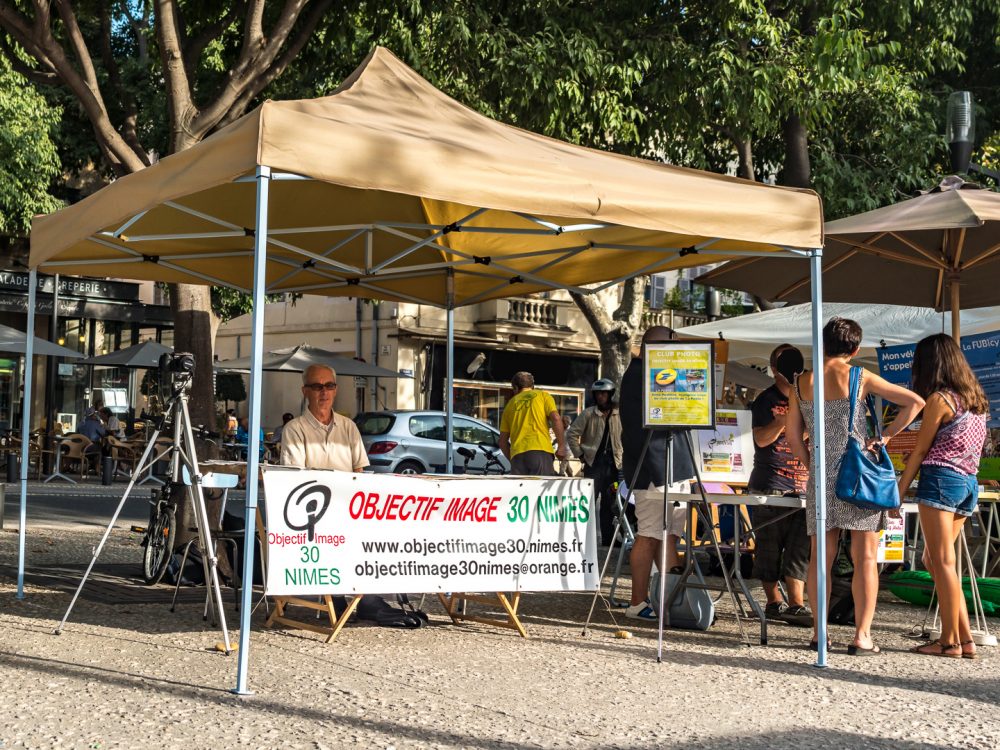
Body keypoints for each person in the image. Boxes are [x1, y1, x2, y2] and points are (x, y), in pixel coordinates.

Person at [786, 317, 924, 654]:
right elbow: (915, 402)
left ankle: (820, 633)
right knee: (864, 557)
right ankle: (862, 636)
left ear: (822, 344)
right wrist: (886, 436)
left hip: (822, 477)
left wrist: (813, 465)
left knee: (822, 557)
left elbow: (792, 437)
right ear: (855, 349)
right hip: (860, 473)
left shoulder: (800, 383)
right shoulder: (859, 376)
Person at [282, 365, 412, 626]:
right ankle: (347, 597)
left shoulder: (349, 426)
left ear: (336, 390)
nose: (324, 392)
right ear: (305, 391)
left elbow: (359, 472)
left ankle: (365, 597)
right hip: (313, 514)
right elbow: (296, 479)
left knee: (384, 531)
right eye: (317, 386)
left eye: (329, 386)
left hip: (346, 510)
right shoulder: (295, 429)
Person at [897, 334, 989, 659]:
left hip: (940, 482)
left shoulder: (939, 399)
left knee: (943, 562)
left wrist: (900, 489)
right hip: (968, 484)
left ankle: (948, 642)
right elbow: (956, 446)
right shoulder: (976, 401)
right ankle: (964, 638)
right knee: (936, 562)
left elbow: (921, 450)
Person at [619, 326, 697, 621]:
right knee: (651, 534)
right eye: (673, 344)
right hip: (657, 466)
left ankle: (665, 601)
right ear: (664, 346)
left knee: (666, 535)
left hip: (661, 465)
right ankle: (639, 602)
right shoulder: (648, 373)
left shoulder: (640, 372)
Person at [748, 345, 812, 627]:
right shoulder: (765, 400)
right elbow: (760, 439)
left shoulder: (810, 398)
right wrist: (782, 423)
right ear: (774, 369)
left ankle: (797, 604)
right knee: (769, 546)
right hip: (770, 484)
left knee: (800, 547)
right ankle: (774, 601)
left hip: (803, 486)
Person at [567, 379, 623, 546]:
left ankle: (607, 538)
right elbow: (571, 434)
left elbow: (627, 437)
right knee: (588, 501)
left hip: (614, 464)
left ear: (610, 394)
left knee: (610, 502)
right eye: (598, 394)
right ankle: (583, 538)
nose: (601, 397)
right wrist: (580, 455)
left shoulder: (619, 413)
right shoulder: (588, 413)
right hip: (594, 463)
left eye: (604, 393)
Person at [499, 371, 567, 476]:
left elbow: (502, 442)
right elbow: (556, 418)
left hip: (517, 455)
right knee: (540, 491)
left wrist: (513, 459)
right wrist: (561, 446)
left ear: (516, 388)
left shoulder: (509, 405)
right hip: (540, 451)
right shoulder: (543, 396)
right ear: (533, 386)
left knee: (522, 492)